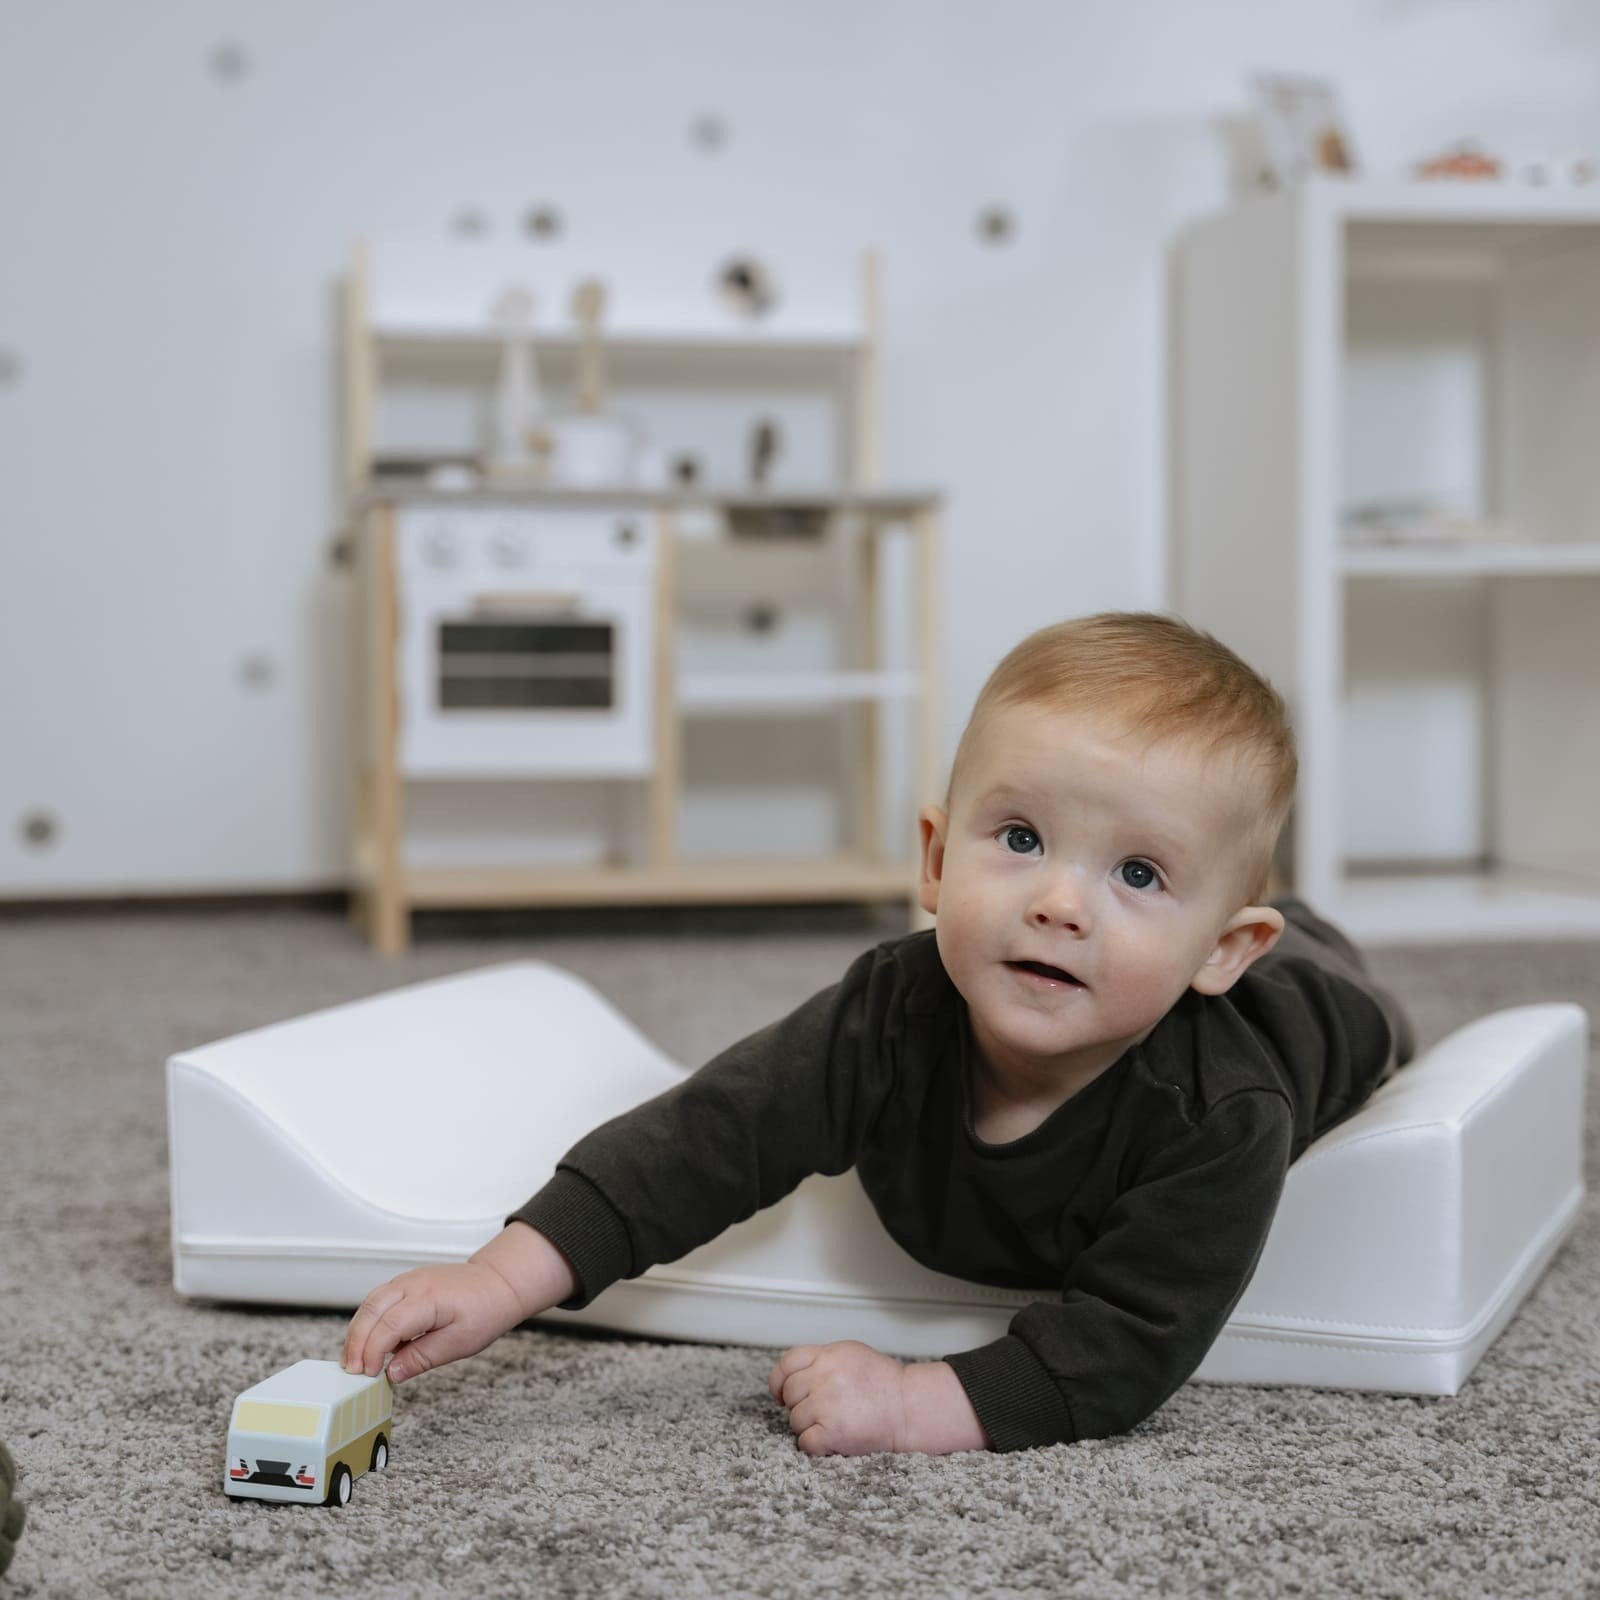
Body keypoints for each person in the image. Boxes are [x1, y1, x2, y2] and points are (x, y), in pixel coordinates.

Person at [342, 612, 1415, 1456]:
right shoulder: (892, 1010)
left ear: (1223, 945)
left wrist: (917, 1401)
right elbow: (710, 1133)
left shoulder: (1221, 1113)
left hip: (1303, 1002)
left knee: (1339, 991)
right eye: (1021, 836)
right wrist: (495, 1281)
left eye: (1136, 873)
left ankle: (1298, 940)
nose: (1058, 902)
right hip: (1206, 960)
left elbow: (1129, 1344)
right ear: (936, 861)